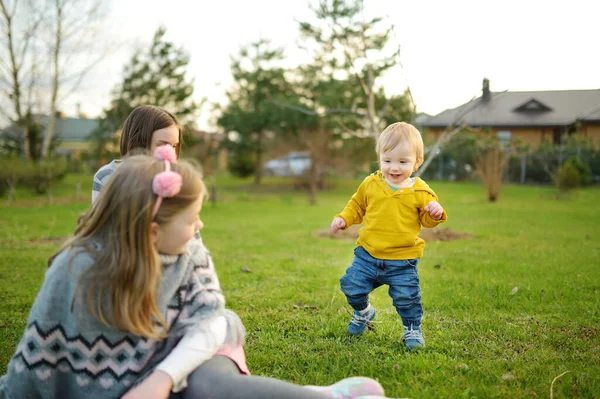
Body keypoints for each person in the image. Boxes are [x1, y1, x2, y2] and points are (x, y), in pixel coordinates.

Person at [0, 146, 395, 399]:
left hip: (194, 349)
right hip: (140, 373)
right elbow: (36, 361)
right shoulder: (75, 270)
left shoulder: (189, 252)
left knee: (210, 386)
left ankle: (324, 397)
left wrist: (160, 380)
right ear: (151, 232)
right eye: (192, 220)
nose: (200, 227)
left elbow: (210, 324)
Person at [330, 122, 448, 351]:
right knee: (351, 286)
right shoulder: (371, 184)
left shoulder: (421, 192)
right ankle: (364, 312)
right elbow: (357, 206)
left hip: (402, 260)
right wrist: (344, 219)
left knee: (407, 298)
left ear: (417, 162)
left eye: (403, 162)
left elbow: (428, 221)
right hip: (367, 255)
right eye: (387, 161)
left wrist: (435, 212)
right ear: (380, 159)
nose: (394, 167)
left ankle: (412, 329)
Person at [92, 105, 182, 203]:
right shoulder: (107, 176)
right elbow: (100, 217)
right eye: (162, 145)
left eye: (174, 146)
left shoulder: (173, 180)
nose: (171, 154)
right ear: (138, 145)